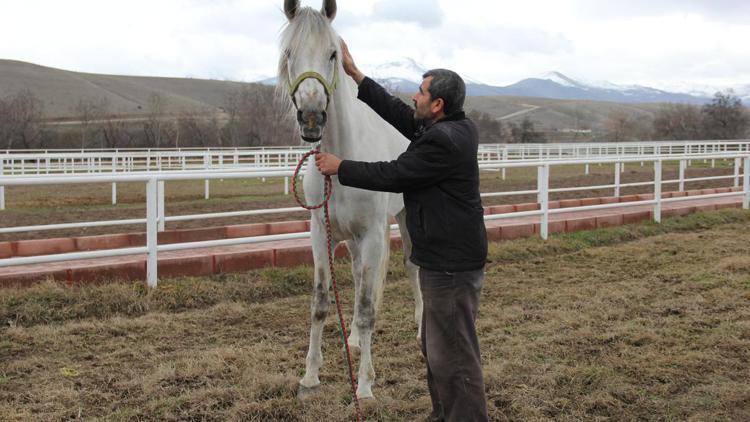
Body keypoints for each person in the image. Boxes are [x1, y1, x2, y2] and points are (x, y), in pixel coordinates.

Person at [315, 39, 489, 422]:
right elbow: (398, 113)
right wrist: (355, 74)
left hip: (451, 267)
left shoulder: (442, 142)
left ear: (437, 104)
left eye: (421, 92)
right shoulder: (450, 128)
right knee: (437, 348)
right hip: (440, 261)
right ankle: (443, 413)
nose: (414, 96)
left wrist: (341, 166)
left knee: (455, 354)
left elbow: (393, 174)